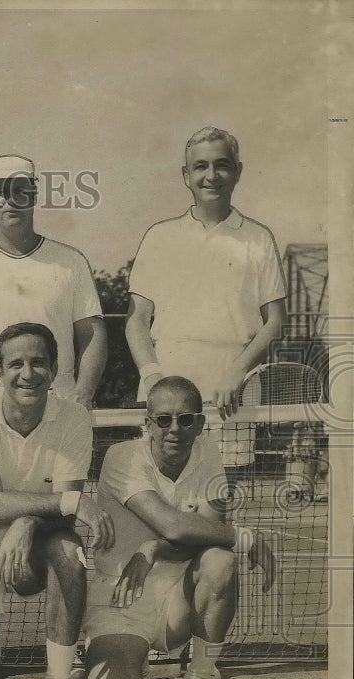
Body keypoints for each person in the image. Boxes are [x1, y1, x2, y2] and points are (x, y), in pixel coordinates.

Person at [86, 376, 276, 679]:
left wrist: (153, 548)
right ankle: (135, 658)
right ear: (148, 424)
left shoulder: (208, 453)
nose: (175, 428)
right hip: (121, 598)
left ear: (200, 423)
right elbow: (174, 524)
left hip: (181, 598)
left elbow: (207, 535)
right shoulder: (121, 457)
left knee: (220, 560)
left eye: (186, 418)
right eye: (163, 419)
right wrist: (246, 536)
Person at [0, 322, 113, 679]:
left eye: (38, 362)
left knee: (69, 551)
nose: (28, 374)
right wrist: (52, 507)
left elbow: (65, 513)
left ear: (55, 369)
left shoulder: (74, 418)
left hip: (39, 541)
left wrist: (25, 521)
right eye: (16, 364)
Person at [125, 126, 287, 477]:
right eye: (200, 166)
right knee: (162, 496)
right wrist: (153, 376)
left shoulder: (259, 238)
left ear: (238, 171)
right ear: (186, 175)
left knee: (221, 502)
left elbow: (275, 321)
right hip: (168, 390)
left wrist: (237, 371)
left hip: (233, 393)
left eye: (222, 165)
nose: (211, 176)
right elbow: (137, 319)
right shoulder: (159, 236)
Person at [0, 155, 106, 408]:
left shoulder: (70, 261)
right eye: (1, 191)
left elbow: (92, 335)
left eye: (20, 190)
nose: (11, 200)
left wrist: (83, 394)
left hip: (58, 407)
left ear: (34, 195)